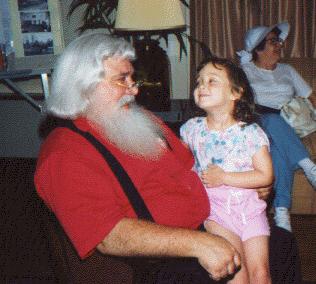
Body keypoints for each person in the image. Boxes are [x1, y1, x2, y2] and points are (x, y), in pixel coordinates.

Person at [34, 32, 301, 283]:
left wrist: (247, 182)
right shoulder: (65, 153)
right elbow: (108, 235)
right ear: (83, 86)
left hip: (214, 221)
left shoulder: (138, 120)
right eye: (121, 79)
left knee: (281, 245)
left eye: (132, 79)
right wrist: (198, 244)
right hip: (161, 260)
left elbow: (193, 165)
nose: (134, 90)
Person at [180, 57, 273, 283]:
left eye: (212, 81)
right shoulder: (191, 129)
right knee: (236, 273)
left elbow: (265, 175)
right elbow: (180, 166)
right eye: (199, 82)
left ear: (235, 93)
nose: (202, 86)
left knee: (260, 274)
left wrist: (223, 177)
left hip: (250, 209)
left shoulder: (250, 133)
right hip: (216, 211)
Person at [237, 22, 316, 232]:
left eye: (279, 41)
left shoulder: (288, 70)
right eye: (274, 41)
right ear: (259, 48)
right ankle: (309, 167)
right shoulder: (244, 71)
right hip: (258, 122)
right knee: (271, 122)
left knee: (276, 151)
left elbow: (311, 96)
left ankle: (282, 213)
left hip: (288, 124)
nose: (280, 45)